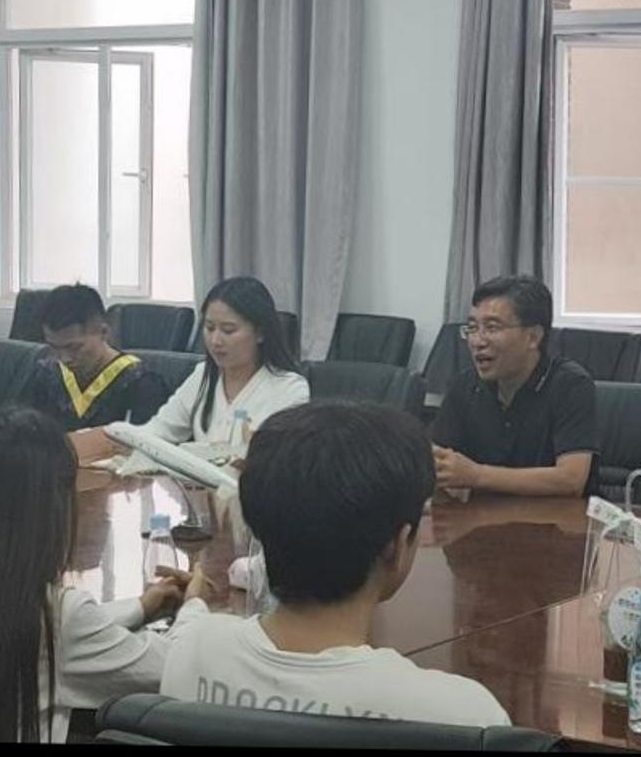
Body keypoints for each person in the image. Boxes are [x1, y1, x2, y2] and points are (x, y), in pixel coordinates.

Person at [160, 400, 510, 726]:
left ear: (260, 527)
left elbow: (193, 624)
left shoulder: (190, 652)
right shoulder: (464, 715)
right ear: (398, 545)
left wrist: (194, 598)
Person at [0, 407, 208, 743]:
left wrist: (140, 608)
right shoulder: (54, 616)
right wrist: (195, 604)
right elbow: (177, 668)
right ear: (44, 515)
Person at [431, 275, 597, 498]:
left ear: (533, 337)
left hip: (554, 518)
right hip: (480, 517)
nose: (478, 341)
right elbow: (438, 463)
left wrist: (476, 475)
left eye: (492, 328)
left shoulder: (570, 385)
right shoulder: (464, 385)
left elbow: (571, 479)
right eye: (472, 328)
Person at [132, 276, 308, 447]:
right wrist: (121, 435)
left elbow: (281, 458)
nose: (215, 340)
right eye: (209, 328)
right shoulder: (202, 376)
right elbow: (157, 431)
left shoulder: (289, 389)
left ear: (260, 333)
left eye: (228, 330)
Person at [26, 283, 170, 431]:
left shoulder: (142, 383)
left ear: (103, 332)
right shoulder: (47, 374)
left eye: (74, 348)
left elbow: (145, 441)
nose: (64, 359)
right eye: (54, 347)